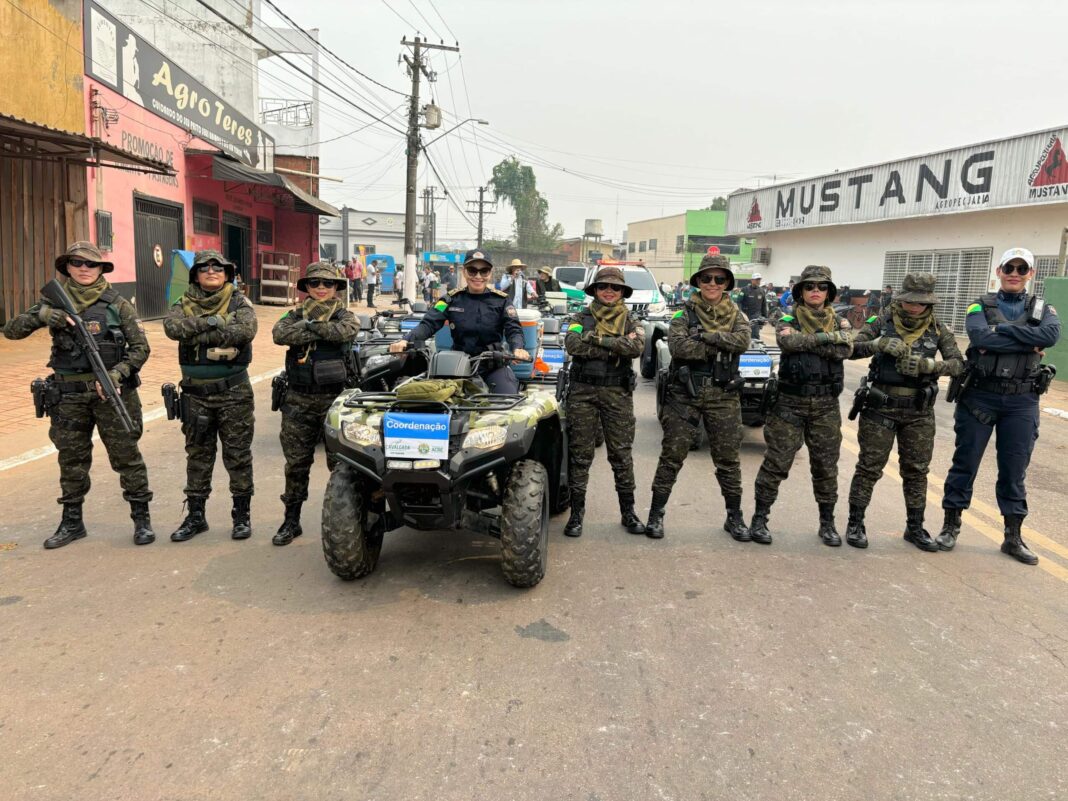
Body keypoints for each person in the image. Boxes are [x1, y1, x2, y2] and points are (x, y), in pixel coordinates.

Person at [3, 242, 155, 548]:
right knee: (71, 459)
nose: (84, 268)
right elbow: (11, 330)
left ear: (101, 269)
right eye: (77, 263)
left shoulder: (117, 304)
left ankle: (142, 520)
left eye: (91, 264)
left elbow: (141, 349)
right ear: (67, 267)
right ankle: (72, 522)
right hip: (68, 395)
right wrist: (45, 315)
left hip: (112, 394)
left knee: (126, 456)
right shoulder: (52, 302)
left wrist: (116, 374)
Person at [940, 247, 1061, 564]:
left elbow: (1050, 335)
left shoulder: (1043, 308)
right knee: (965, 463)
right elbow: (981, 338)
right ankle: (950, 527)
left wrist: (1004, 330)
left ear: (1030, 274)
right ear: (999, 270)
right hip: (980, 396)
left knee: (1014, 470)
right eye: (1010, 267)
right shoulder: (979, 304)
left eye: (1022, 269)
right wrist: (1027, 340)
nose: (1015, 273)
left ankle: (1013, 537)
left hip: (1022, 402)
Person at [846, 272, 963, 550]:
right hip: (881, 406)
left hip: (918, 411)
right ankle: (855, 523)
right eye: (909, 301)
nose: (913, 307)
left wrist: (930, 367)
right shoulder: (882, 320)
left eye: (919, 303)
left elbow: (958, 364)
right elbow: (851, 349)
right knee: (869, 467)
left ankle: (914, 527)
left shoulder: (938, 329)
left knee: (916, 471)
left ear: (929, 303)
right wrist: (878, 344)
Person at [645, 255, 751, 540]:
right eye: (706, 278)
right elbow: (679, 348)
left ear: (727, 282)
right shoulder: (683, 315)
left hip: (723, 395)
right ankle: (656, 514)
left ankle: (735, 517)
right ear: (698, 282)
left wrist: (705, 337)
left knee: (728, 461)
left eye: (718, 279)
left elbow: (743, 342)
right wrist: (720, 343)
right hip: (685, 395)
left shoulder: (737, 315)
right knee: (672, 456)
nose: (712, 284)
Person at [748, 266, 852, 546]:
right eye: (809, 287)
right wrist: (825, 339)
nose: (815, 291)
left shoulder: (841, 321)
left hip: (825, 406)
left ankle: (827, 523)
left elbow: (846, 349)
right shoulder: (786, 316)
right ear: (800, 291)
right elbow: (788, 341)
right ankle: (759, 519)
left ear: (829, 292)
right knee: (776, 463)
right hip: (789, 404)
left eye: (821, 287)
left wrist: (810, 342)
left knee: (826, 467)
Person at [164, 249, 258, 542]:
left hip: (234, 391)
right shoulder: (183, 302)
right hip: (195, 395)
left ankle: (241, 516)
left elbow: (245, 331)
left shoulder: (240, 301)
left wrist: (197, 333)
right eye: (204, 267)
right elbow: (172, 328)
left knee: (238, 456)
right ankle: (195, 517)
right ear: (196, 274)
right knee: (198, 456)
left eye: (218, 267)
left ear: (227, 273)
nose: (211, 271)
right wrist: (215, 323)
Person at [271, 262, 359, 546]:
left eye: (327, 284)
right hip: (298, 400)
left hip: (335, 401)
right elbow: (280, 334)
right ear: (306, 287)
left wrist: (308, 327)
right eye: (315, 283)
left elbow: (345, 332)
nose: (321, 288)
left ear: (336, 288)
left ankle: (347, 518)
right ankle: (291, 520)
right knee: (296, 464)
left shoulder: (346, 315)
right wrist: (320, 328)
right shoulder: (293, 314)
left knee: (342, 465)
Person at [562, 266, 645, 538]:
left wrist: (597, 340)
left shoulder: (631, 320)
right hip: (582, 393)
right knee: (580, 455)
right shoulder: (580, 316)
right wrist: (615, 345)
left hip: (616, 394)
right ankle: (576, 514)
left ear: (622, 292)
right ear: (595, 290)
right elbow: (573, 345)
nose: (609, 291)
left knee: (621, 455)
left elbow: (635, 348)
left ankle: (628, 512)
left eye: (615, 288)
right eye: (603, 287)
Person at [389, 249, 530, 393]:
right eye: (472, 270)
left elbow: (514, 329)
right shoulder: (449, 300)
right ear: (464, 272)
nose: (478, 276)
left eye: (484, 271)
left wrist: (518, 347)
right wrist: (405, 340)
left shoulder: (502, 300)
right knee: (437, 401)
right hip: (456, 365)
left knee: (507, 400)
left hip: (492, 366)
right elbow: (429, 323)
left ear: (490, 273)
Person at [739, 272, 769, 339]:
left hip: (756, 316)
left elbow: (764, 305)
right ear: (752, 280)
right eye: (756, 279)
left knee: (755, 335)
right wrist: (740, 313)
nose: (758, 281)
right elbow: (738, 302)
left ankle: (755, 348)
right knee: (744, 334)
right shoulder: (744, 290)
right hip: (745, 316)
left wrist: (765, 317)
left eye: (759, 279)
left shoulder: (762, 291)